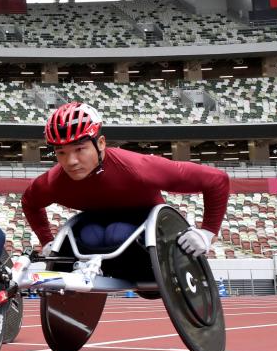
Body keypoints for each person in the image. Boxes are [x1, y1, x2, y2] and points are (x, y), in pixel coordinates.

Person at [21, 102, 229, 266]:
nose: (71, 161)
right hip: (96, 225)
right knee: (89, 236)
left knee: (116, 233)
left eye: (79, 149)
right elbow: (29, 202)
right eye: (61, 153)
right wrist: (46, 241)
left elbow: (216, 179)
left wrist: (208, 232)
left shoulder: (138, 167)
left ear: (101, 143)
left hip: (145, 225)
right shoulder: (53, 182)